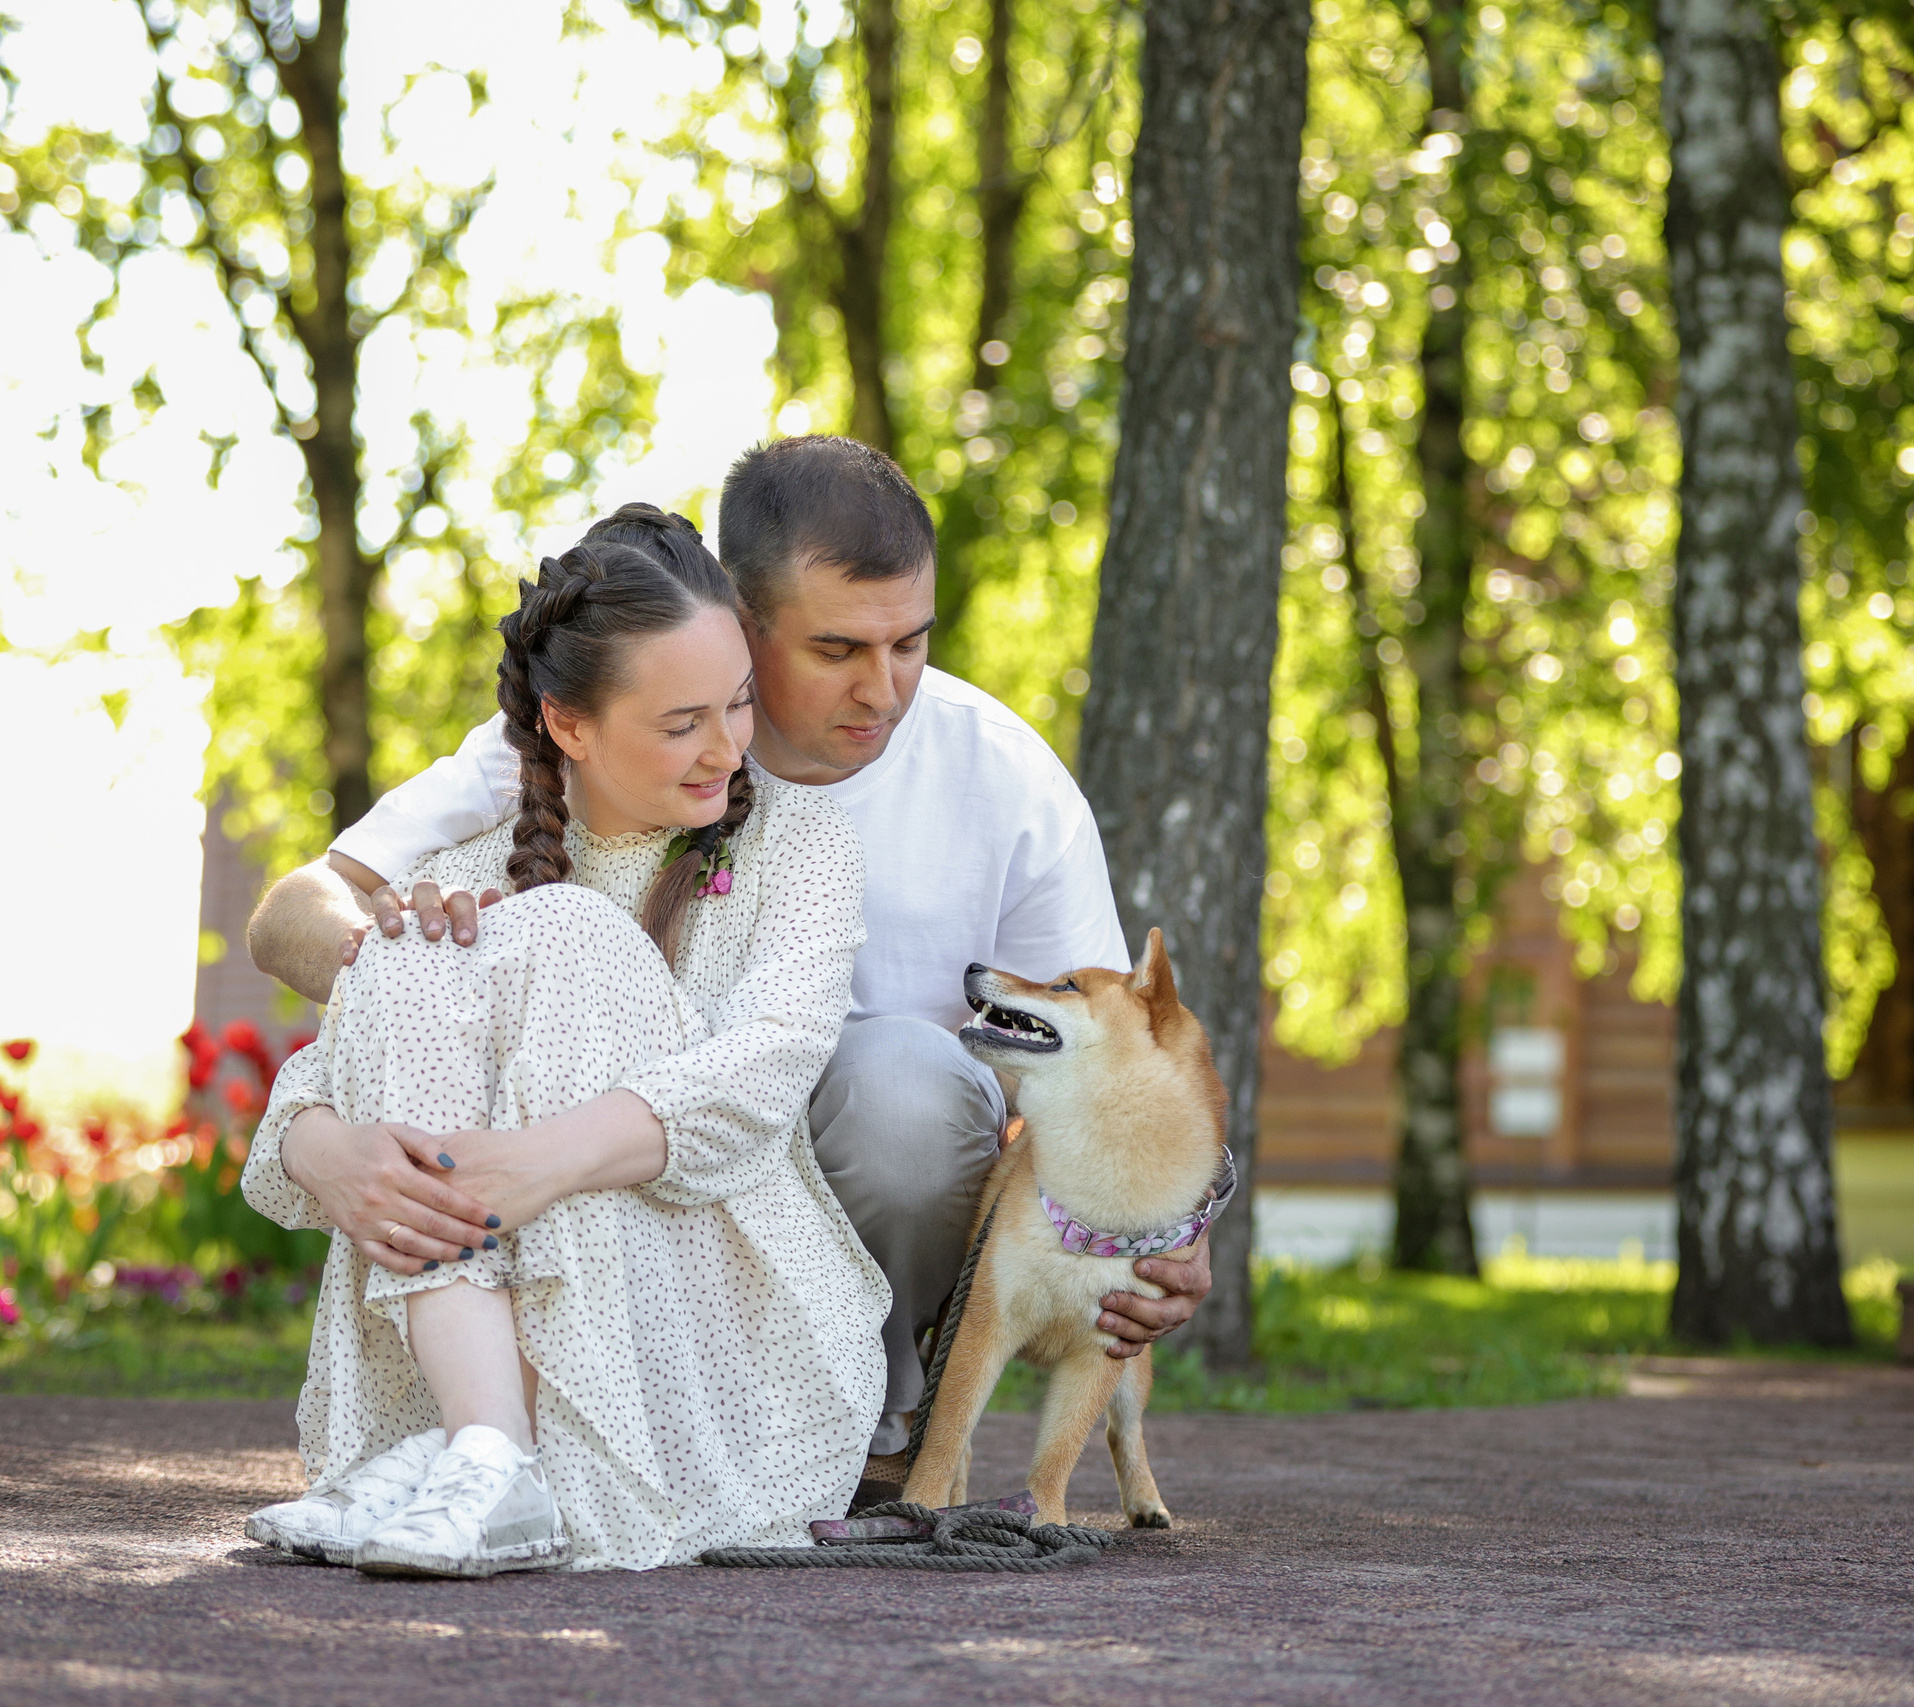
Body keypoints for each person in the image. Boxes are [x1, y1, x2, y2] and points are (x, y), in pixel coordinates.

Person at [248, 435, 1210, 1488]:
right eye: (837, 650)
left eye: (910, 644)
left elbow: (1111, 1049)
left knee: (903, 1084)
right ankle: (517, 1435)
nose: (883, 691)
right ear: (740, 628)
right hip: (612, 1149)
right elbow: (297, 908)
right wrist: (407, 974)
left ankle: (876, 1433)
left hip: (836, 1148)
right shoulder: (604, 727)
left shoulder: (998, 776)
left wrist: (1171, 1222)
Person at [239, 506, 887, 1575]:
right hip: (489, 1281)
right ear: (568, 725)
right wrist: (322, 1148)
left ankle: (483, 1451)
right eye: (681, 723)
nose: (727, 747)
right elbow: (327, 1064)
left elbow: (765, 1067)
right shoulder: (479, 858)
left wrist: (541, 1160)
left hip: (733, 1338)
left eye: (736, 703)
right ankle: (483, 1447)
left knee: (557, 929)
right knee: (402, 946)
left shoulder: (802, 846)